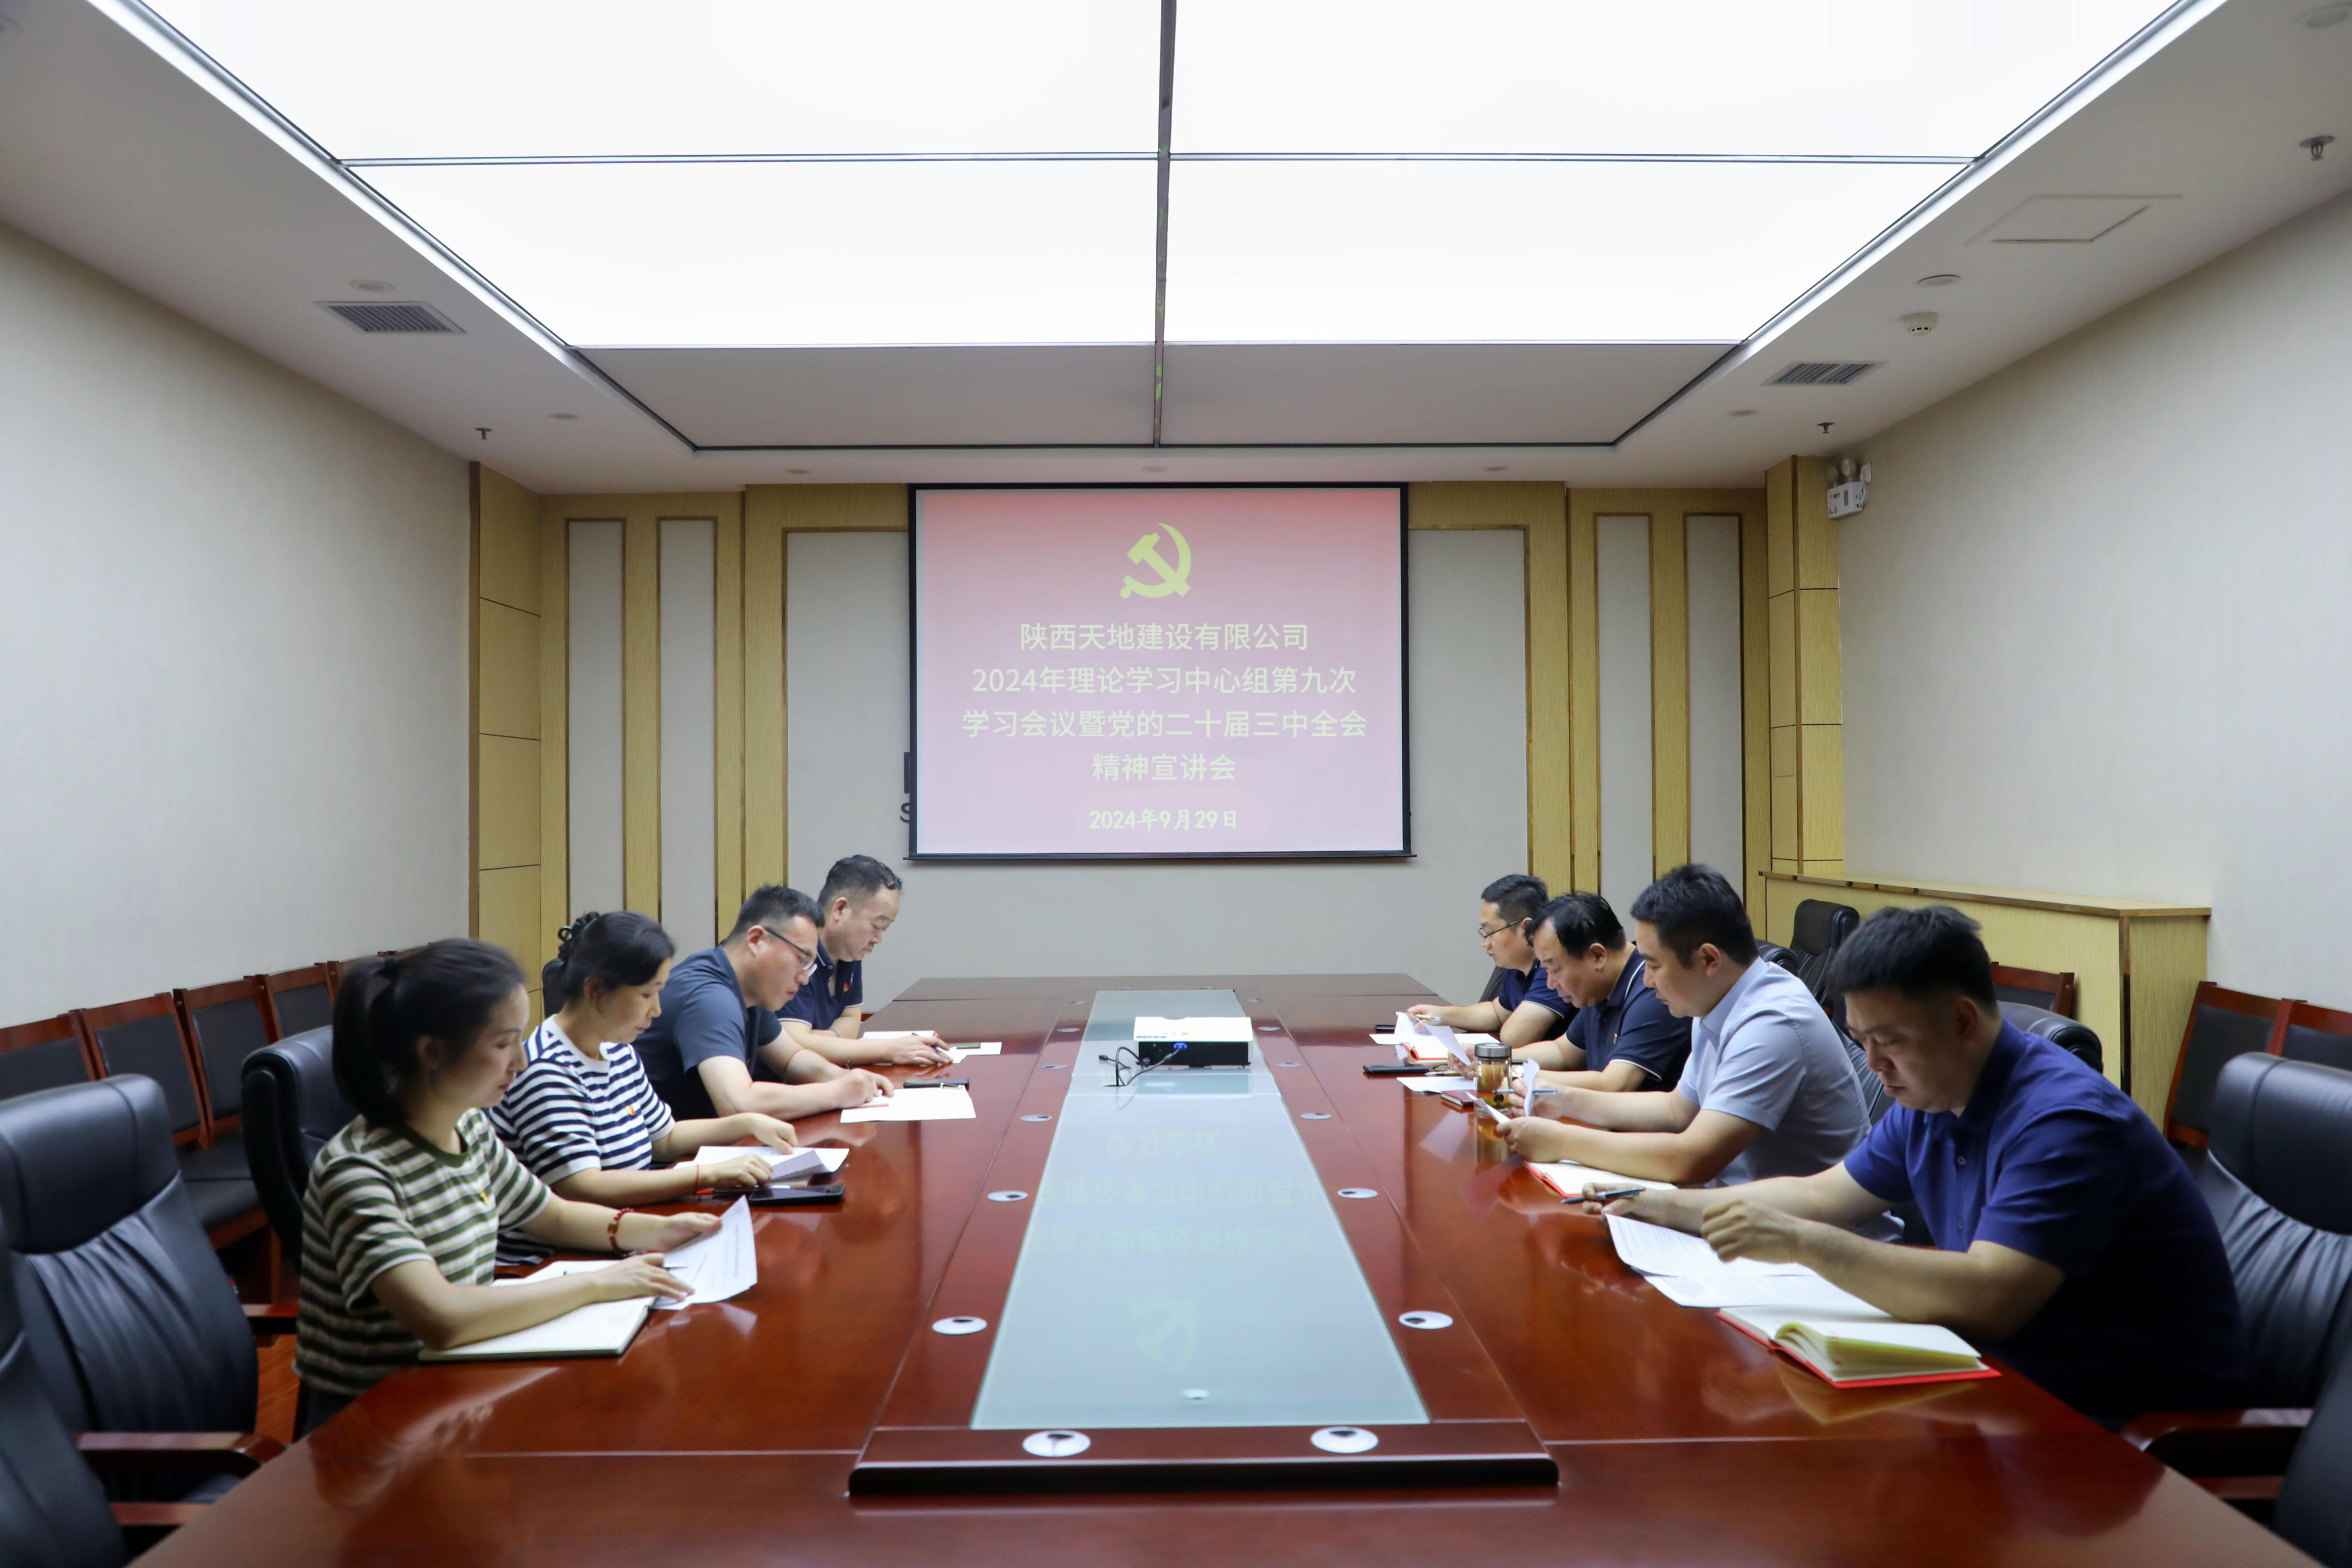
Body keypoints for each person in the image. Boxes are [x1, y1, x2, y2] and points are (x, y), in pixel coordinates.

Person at [1588, 906, 2249, 1421]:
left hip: (2119, 1433)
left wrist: (1801, 1245)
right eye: (1860, 1040)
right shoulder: (1931, 1098)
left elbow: (1989, 1296)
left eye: (1888, 1042)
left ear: (1963, 1020)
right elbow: (1821, 1196)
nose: (1872, 1065)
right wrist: (1655, 1203)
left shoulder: (2065, 1121)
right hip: (1999, 1385)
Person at [297, 940, 717, 1429]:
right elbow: (444, 1317)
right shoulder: (358, 1171)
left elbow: (550, 1214)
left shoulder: (468, 1129)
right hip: (376, 1426)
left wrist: (663, 1232)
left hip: (460, 1393)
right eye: (503, 1044)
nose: (520, 1061)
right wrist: (601, 1283)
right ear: (433, 1051)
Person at [1502, 864, 1875, 1194]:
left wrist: (1562, 1141)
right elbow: (1675, 1109)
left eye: (1653, 964)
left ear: (1708, 959)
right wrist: (1560, 1099)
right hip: (1739, 1212)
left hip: (1806, 1244)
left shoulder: (1772, 1022)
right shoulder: (1716, 1001)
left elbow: (1692, 1158)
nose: (1646, 981)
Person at [487, 912, 809, 1259]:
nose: (656, 1010)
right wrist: (706, 1175)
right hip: (556, 1259)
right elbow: (584, 1186)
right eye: (646, 995)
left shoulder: (618, 1050)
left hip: (624, 1234)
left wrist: (744, 1124)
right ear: (595, 990)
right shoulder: (547, 1067)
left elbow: (664, 1139)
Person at [634, 885, 894, 1122]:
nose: (804, 978)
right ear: (756, 940)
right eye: (801, 959)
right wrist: (836, 1092)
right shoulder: (709, 997)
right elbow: (738, 1104)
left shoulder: (747, 988)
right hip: (657, 1163)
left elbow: (791, 1058)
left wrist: (847, 1079)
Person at [774, 854, 951, 1069]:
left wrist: (829, 1039)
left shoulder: (848, 952)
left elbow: (852, 1018)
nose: (878, 939)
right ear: (840, 909)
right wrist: (890, 1050)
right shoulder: (795, 949)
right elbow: (793, 1043)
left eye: (884, 929)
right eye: (876, 926)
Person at [1522, 892, 1690, 1092]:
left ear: (1597, 956)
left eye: (1555, 970)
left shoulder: (1653, 991)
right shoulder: (1600, 989)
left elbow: (1615, 1084)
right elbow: (1563, 1053)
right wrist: (1494, 1059)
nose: (1550, 983)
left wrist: (1513, 1075)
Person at [1406, 873, 1571, 1047]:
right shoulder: (1517, 966)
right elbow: (1497, 1013)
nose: (1484, 943)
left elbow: (1514, 1038)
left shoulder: (1552, 969)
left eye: (1490, 932)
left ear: (1526, 928)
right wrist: (1440, 1015)